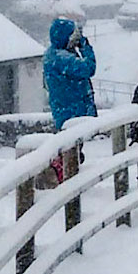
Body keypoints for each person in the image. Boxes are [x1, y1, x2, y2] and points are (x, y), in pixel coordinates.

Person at [42, 16, 97, 183]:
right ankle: (59, 178)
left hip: (66, 109)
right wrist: (85, 46)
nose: (75, 41)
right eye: (72, 36)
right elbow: (88, 68)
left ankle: (63, 176)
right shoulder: (61, 58)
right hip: (72, 111)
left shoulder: (54, 55)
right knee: (70, 149)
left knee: (72, 148)